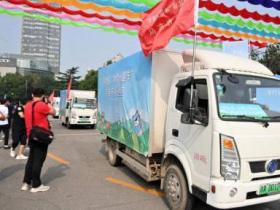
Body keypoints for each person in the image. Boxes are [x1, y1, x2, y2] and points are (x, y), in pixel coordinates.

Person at [21, 88, 56, 193]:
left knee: (31, 160)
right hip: (41, 136)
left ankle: (26, 183)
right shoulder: (42, 105)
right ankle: (36, 185)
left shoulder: (27, 105)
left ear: (32, 95)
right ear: (42, 96)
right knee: (38, 160)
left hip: (31, 135)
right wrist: (48, 102)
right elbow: (54, 112)